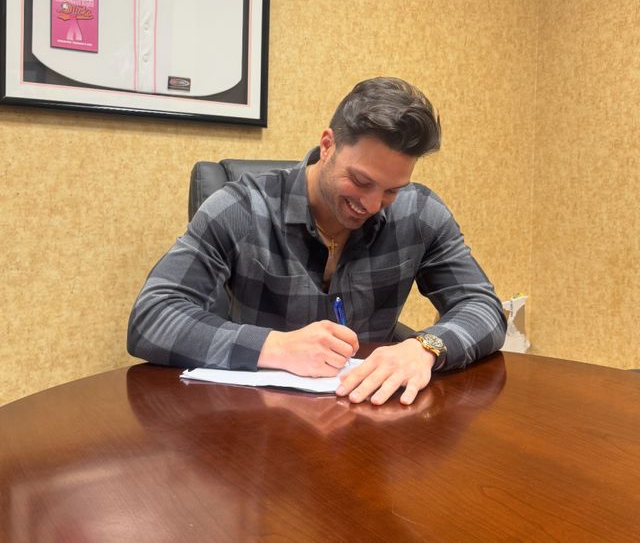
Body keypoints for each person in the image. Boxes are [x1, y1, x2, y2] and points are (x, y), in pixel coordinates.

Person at [128, 77, 506, 405]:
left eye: (392, 190)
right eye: (360, 181)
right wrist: (274, 346)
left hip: (371, 420)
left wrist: (426, 348)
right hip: (257, 426)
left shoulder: (420, 214)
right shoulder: (240, 209)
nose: (372, 204)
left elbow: (482, 306)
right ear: (328, 145)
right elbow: (152, 317)